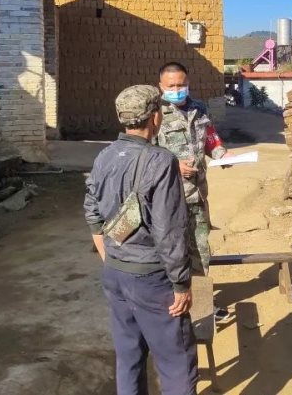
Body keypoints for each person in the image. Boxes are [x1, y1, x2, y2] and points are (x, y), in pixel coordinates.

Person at [84, 85, 196, 395]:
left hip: (115, 275)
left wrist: (109, 256)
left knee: (129, 357)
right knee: (175, 364)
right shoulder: (161, 161)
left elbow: (92, 211)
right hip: (152, 279)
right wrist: (180, 284)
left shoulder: (104, 155)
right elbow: (170, 229)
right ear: (155, 117)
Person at [156, 62, 228, 276]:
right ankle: (174, 293)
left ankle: (201, 293)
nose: (176, 90)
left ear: (188, 83)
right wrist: (173, 165)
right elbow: (146, 152)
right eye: (171, 86)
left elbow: (210, 136)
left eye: (180, 85)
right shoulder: (155, 113)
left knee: (200, 249)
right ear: (161, 86)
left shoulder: (199, 108)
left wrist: (221, 153)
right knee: (172, 249)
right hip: (169, 196)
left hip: (197, 193)